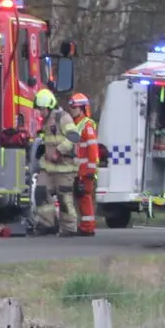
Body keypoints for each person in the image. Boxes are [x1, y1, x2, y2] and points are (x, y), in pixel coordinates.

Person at [33, 88, 82, 235]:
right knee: (41, 192)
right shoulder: (46, 122)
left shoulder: (63, 118)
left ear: (49, 107)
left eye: (41, 109)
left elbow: (74, 136)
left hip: (64, 168)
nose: (40, 113)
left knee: (64, 197)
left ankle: (69, 228)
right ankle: (48, 224)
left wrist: (59, 151)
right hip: (48, 168)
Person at [68, 93, 99, 236]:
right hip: (78, 169)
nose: (71, 110)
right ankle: (85, 225)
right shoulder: (75, 124)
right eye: (71, 108)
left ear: (81, 108)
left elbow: (92, 149)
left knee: (85, 197)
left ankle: (88, 227)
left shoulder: (87, 125)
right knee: (81, 197)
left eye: (74, 108)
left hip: (86, 170)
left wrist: (90, 170)